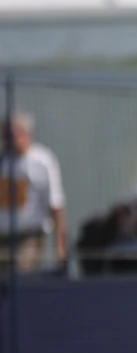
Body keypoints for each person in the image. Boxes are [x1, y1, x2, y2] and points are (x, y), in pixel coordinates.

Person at [0, 112, 67, 273]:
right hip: (3, 237)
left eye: (12, 135)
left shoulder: (42, 161)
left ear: (26, 134)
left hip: (29, 238)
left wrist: (60, 246)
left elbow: (56, 205)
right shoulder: (2, 161)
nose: (7, 140)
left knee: (19, 276)